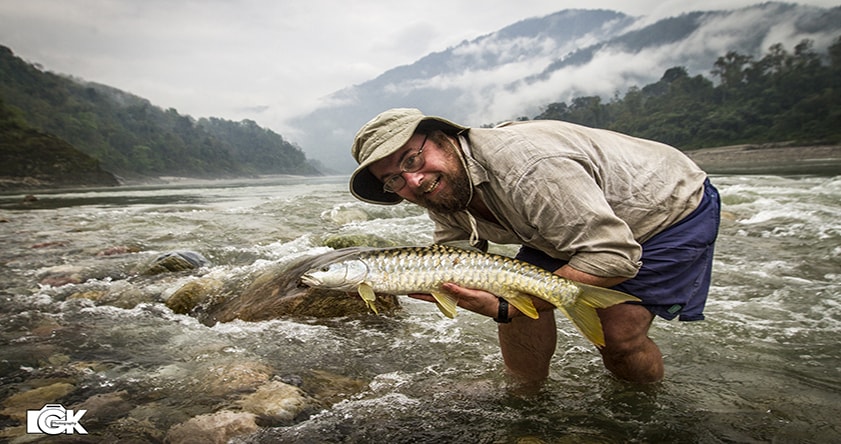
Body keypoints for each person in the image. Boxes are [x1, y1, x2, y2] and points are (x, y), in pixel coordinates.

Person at [348, 108, 721, 384]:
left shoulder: (529, 168)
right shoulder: (439, 191)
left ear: (444, 137)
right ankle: (524, 394)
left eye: (412, 159)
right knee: (511, 301)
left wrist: (510, 302)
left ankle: (643, 410)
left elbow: (614, 254)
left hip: (665, 209)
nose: (414, 180)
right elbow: (459, 255)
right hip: (563, 222)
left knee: (618, 336)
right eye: (394, 179)